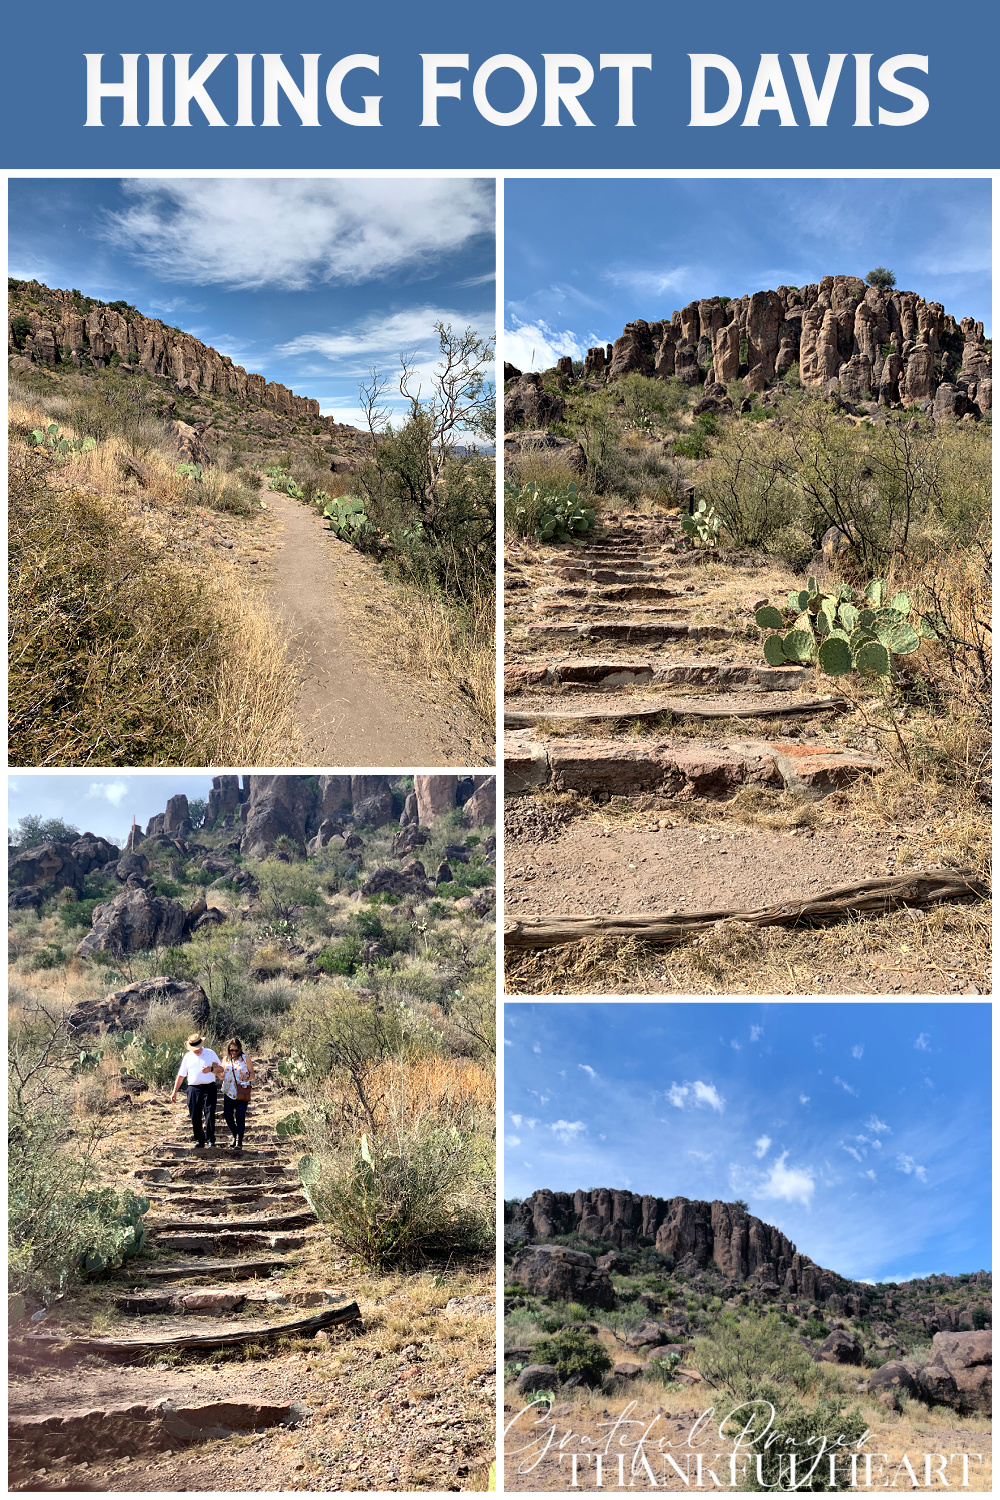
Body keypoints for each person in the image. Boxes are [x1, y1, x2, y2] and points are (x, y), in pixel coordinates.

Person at [170, 1033, 223, 1148]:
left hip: (209, 1087)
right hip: (193, 1088)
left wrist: (211, 1069)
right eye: (193, 1048)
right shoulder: (187, 1057)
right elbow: (181, 1075)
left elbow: (221, 1068)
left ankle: (210, 1139)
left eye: (197, 1048)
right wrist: (174, 1092)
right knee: (195, 1114)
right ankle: (199, 1139)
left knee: (209, 1113)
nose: (196, 1050)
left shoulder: (210, 1053)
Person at [221, 1037, 254, 1151]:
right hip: (228, 1091)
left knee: (240, 1116)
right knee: (227, 1115)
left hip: (241, 1091)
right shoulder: (226, 1059)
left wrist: (247, 1076)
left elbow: (253, 1074)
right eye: (231, 1050)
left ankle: (239, 1141)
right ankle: (235, 1135)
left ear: (240, 1049)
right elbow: (222, 1074)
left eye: (236, 1050)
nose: (233, 1053)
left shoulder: (245, 1059)